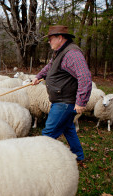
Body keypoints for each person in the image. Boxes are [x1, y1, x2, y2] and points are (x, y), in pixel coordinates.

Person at [32, 25, 92, 162]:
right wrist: (39, 76)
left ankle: (40, 161)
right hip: (60, 99)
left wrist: (81, 101)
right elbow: (50, 67)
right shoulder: (60, 52)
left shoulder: (72, 54)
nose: (49, 42)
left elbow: (85, 77)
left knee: (48, 133)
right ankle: (78, 156)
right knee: (68, 128)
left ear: (60, 38)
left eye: (51, 39)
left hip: (65, 102)